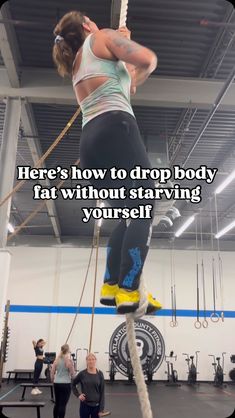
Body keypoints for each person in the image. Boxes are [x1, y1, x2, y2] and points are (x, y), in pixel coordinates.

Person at [52, 11, 162, 314]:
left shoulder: (76, 65)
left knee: (128, 215)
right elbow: (149, 60)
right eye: (91, 19)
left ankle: (112, 285)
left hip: (91, 144)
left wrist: (123, 60)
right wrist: (122, 41)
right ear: (87, 26)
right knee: (143, 207)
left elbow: (127, 87)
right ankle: (130, 289)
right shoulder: (101, 38)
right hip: (116, 129)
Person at [72, 353, 105, 418]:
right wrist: (78, 395)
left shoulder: (100, 374)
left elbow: (102, 392)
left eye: (93, 359)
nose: (91, 361)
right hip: (84, 405)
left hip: (96, 406)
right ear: (86, 361)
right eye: (89, 360)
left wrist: (101, 409)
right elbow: (73, 384)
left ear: (95, 360)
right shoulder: (82, 374)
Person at [51, 343, 75, 418]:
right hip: (66, 384)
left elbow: (52, 372)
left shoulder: (56, 360)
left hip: (57, 383)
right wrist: (74, 381)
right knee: (62, 405)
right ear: (68, 351)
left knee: (57, 403)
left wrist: (53, 381)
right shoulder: (69, 361)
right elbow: (73, 374)